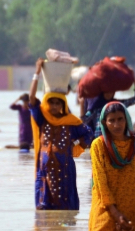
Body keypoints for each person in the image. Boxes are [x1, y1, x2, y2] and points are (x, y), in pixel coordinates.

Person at [88, 101, 135, 231]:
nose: (116, 125)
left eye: (120, 119)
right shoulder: (98, 146)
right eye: (111, 120)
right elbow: (100, 183)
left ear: (126, 120)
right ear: (104, 123)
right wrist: (114, 213)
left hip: (128, 210)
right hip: (105, 211)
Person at [29, 58, 93, 210]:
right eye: (52, 102)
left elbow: (88, 135)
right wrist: (37, 73)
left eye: (58, 103)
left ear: (63, 105)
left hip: (65, 171)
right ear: (47, 103)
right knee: (44, 212)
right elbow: (31, 99)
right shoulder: (42, 119)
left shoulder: (70, 122)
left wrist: (74, 144)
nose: (55, 106)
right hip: (45, 171)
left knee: (66, 210)